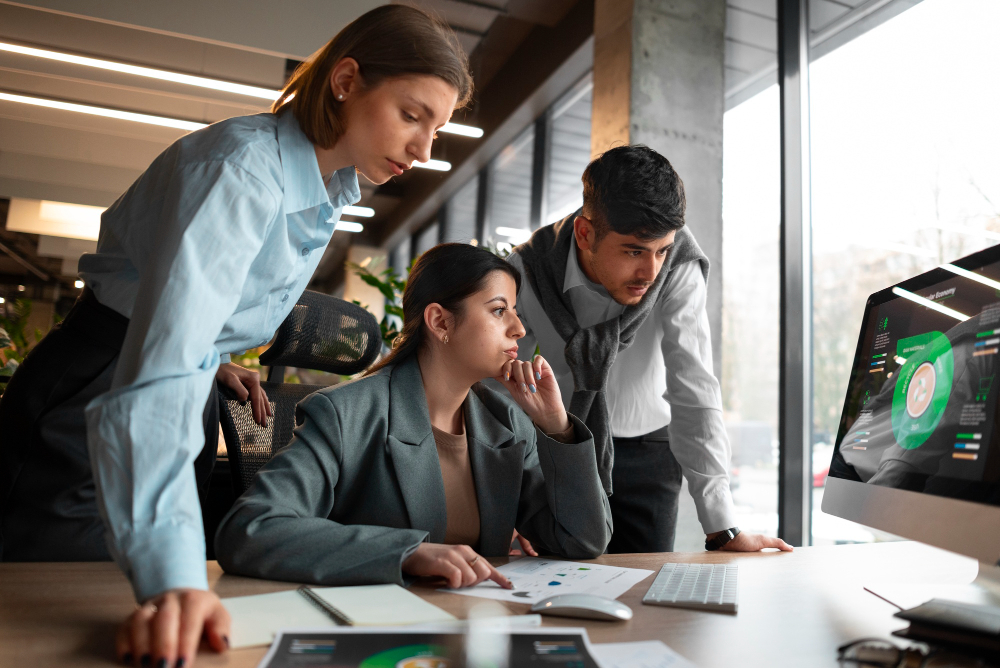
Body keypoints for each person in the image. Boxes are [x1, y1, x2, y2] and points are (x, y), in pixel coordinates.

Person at [0, 5, 472, 666]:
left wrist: (213, 355)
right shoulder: (243, 169)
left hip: (173, 386)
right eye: (412, 115)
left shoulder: (326, 189)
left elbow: (184, 308)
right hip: (104, 393)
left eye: (438, 128)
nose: (425, 150)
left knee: (152, 624)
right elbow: (157, 369)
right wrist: (174, 576)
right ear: (345, 81)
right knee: (57, 620)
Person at [215, 244, 612, 588]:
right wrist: (406, 554)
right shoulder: (344, 413)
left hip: (473, 625)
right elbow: (250, 529)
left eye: (515, 313)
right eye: (498, 311)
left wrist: (557, 427)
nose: (519, 329)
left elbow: (583, 541)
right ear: (440, 321)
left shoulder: (505, 419)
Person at [507, 145, 793, 554]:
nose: (651, 272)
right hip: (555, 448)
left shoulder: (678, 264)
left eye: (661, 250)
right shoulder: (529, 268)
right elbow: (498, 386)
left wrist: (722, 526)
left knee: (645, 597)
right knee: (558, 583)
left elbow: (694, 385)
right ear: (585, 234)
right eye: (633, 251)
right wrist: (509, 500)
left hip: (650, 454)